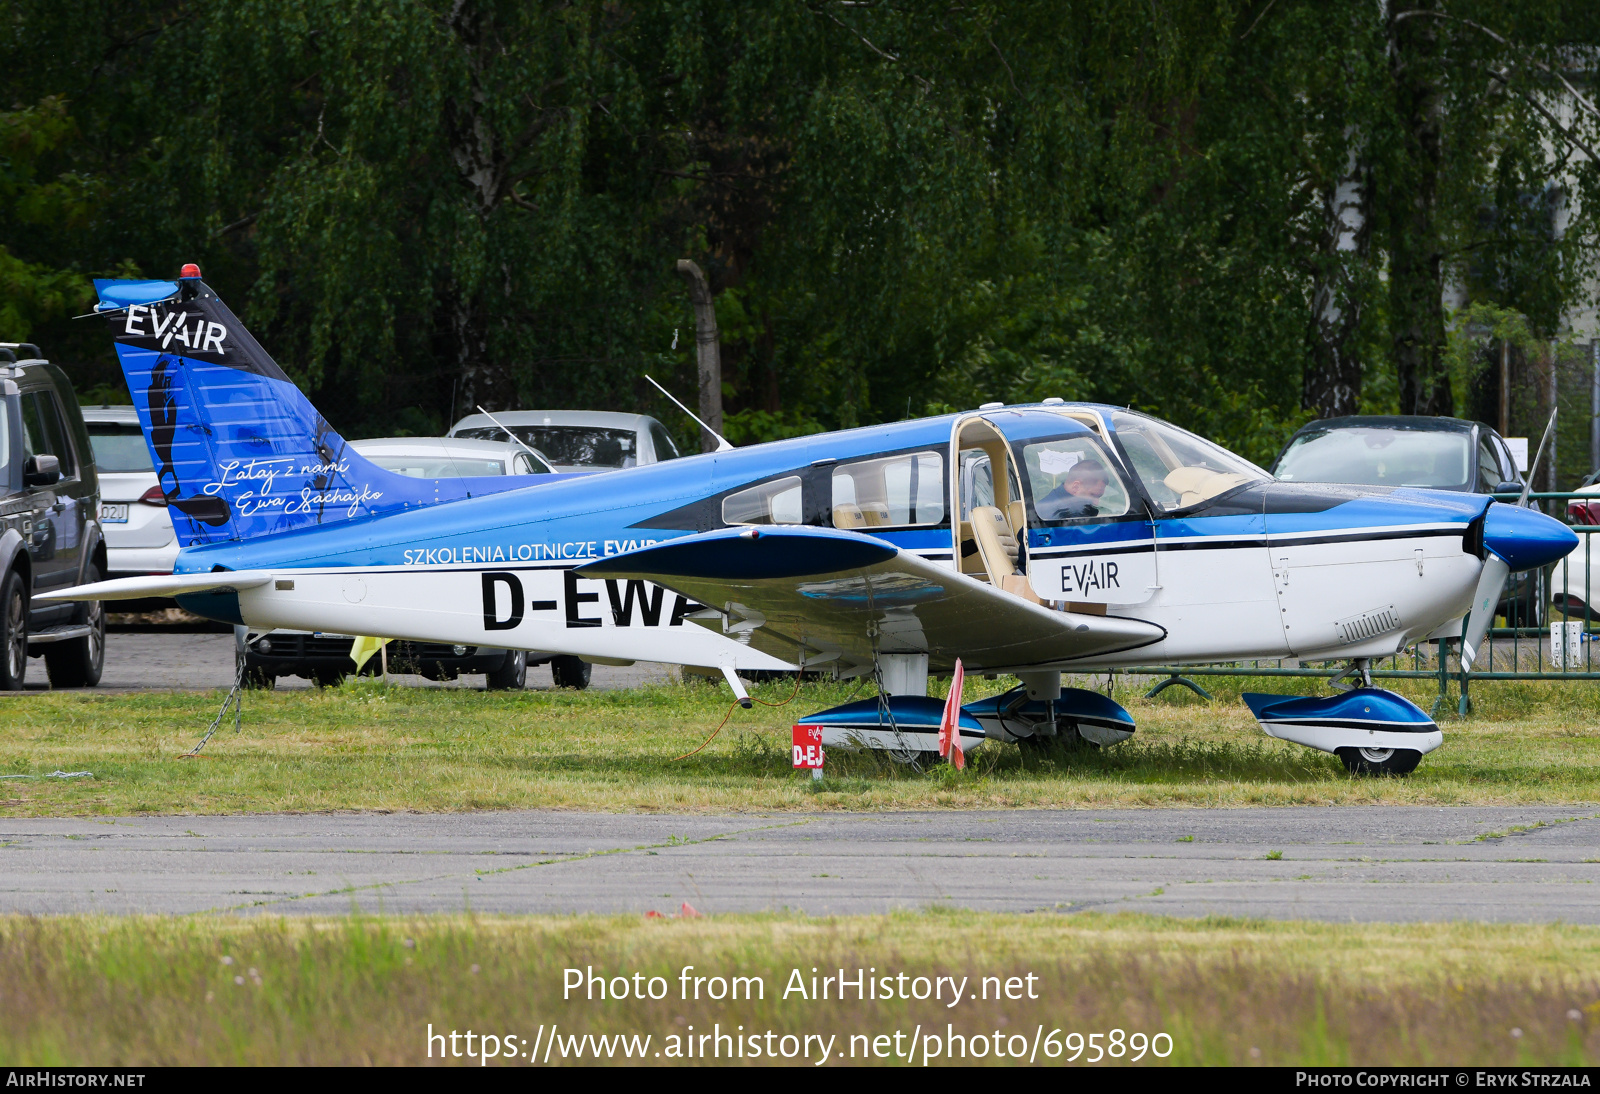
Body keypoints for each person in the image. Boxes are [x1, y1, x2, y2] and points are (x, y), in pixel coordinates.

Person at [1036, 458, 1109, 519]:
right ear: (1075, 487)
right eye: (1093, 495)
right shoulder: (1064, 515)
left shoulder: (1048, 504)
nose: (1096, 503)